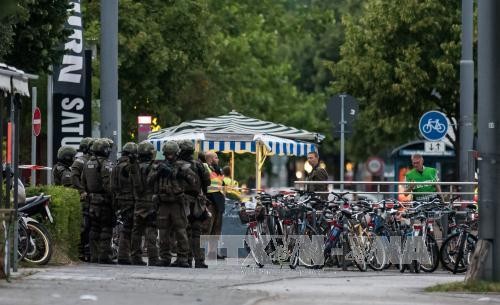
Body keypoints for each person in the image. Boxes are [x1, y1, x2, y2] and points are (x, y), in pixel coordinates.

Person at [148, 141, 195, 268]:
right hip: (163, 203)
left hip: (177, 203)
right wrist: (158, 172)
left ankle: (182, 258)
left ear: (176, 153)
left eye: (171, 154)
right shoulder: (159, 166)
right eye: (167, 154)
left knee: (181, 231)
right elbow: (149, 181)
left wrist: (176, 173)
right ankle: (165, 257)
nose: (169, 156)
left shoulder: (183, 166)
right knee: (163, 232)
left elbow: (193, 181)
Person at [81, 139, 114, 264]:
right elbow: (108, 185)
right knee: (106, 229)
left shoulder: (88, 163)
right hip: (104, 201)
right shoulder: (106, 164)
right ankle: (105, 256)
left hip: (91, 201)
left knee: (94, 229)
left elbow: (83, 181)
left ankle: (94, 256)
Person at [178, 140, 211, 268]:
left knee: (184, 231)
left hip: (182, 201)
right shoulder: (199, 165)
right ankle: (199, 260)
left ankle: (185, 258)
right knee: (197, 232)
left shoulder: (177, 164)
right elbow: (207, 182)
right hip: (197, 201)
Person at [130, 141, 161, 266]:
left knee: (137, 231)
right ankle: (153, 258)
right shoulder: (154, 167)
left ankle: (135, 257)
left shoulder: (134, 167)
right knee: (151, 230)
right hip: (150, 202)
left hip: (138, 202)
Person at [111, 142, 138, 265]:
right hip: (129, 199)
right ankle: (124, 256)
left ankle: (123, 255)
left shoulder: (116, 165)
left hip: (119, 199)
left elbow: (112, 186)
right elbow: (134, 181)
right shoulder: (127, 166)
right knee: (129, 228)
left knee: (126, 227)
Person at [71, 137, 94, 262]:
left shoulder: (91, 160)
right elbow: (74, 177)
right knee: (84, 226)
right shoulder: (80, 161)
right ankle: (80, 251)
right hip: (84, 198)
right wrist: (82, 191)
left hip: (92, 198)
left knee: (91, 226)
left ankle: (88, 251)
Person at [204, 151, 226, 259]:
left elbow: (222, 183)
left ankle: (212, 253)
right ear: (211, 159)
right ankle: (199, 252)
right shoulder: (205, 168)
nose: (218, 159)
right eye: (216, 158)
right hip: (210, 202)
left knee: (216, 229)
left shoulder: (218, 169)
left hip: (218, 202)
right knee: (207, 228)